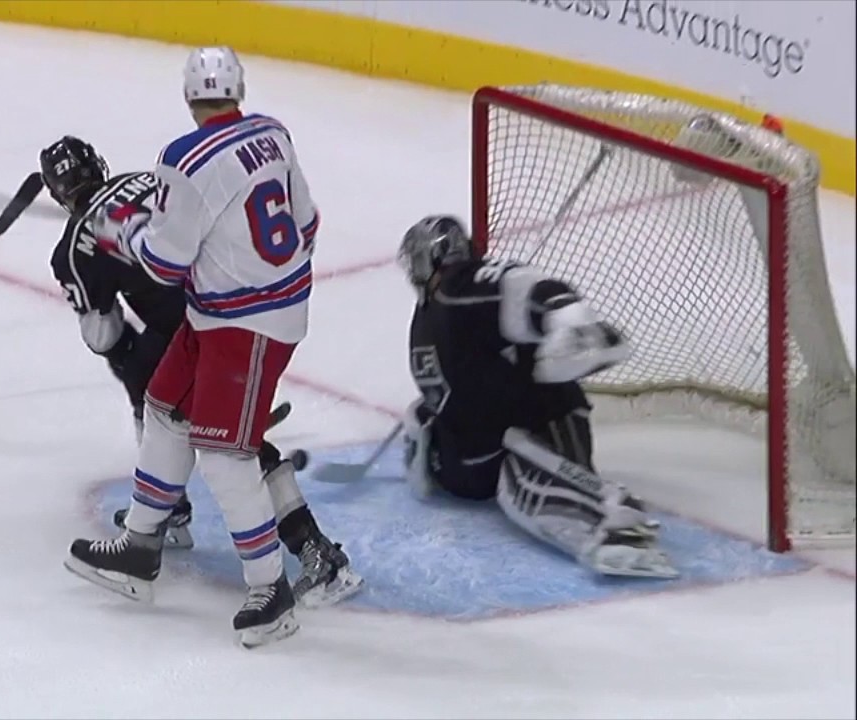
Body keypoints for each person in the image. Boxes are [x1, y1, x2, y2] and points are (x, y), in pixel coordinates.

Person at [63, 46, 324, 648]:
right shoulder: (274, 134)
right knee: (164, 406)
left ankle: (270, 588)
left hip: (249, 323)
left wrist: (124, 233)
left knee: (225, 455)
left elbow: (163, 264)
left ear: (188, 96)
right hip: (236, 309)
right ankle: (140, 547)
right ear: (240, 91)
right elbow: (306, 225)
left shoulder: (181, 159)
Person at [41, 135, 360, 608]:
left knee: (222, 438)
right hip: (235, 301)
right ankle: (165, 514)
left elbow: (102, 335)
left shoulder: (72, 249)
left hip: (202, 333)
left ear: (57, 193)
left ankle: (317, 558)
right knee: (169, 406)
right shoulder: (146, 181)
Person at [397, 214, 677, 579]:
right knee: (499, 472)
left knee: (523, 489)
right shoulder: (431, 312)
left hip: (540, 422)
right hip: (479, 448)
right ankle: (603, 511)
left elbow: (522, 285)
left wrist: (570, 319)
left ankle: (613, 520)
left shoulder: (461, 288)